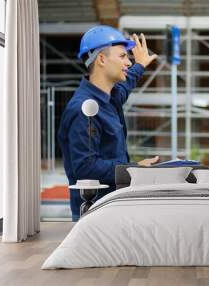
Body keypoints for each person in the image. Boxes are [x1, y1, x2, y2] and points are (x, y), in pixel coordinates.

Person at [58, 25, 159, 221]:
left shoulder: (110, 96)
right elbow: (86, 167)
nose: (128, 62)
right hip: (94, 215)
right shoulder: (84, 109)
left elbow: (126, 84)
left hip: (114, 207)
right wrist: (134, 168)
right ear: (102, 59)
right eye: (122, 56)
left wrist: (141, 65)